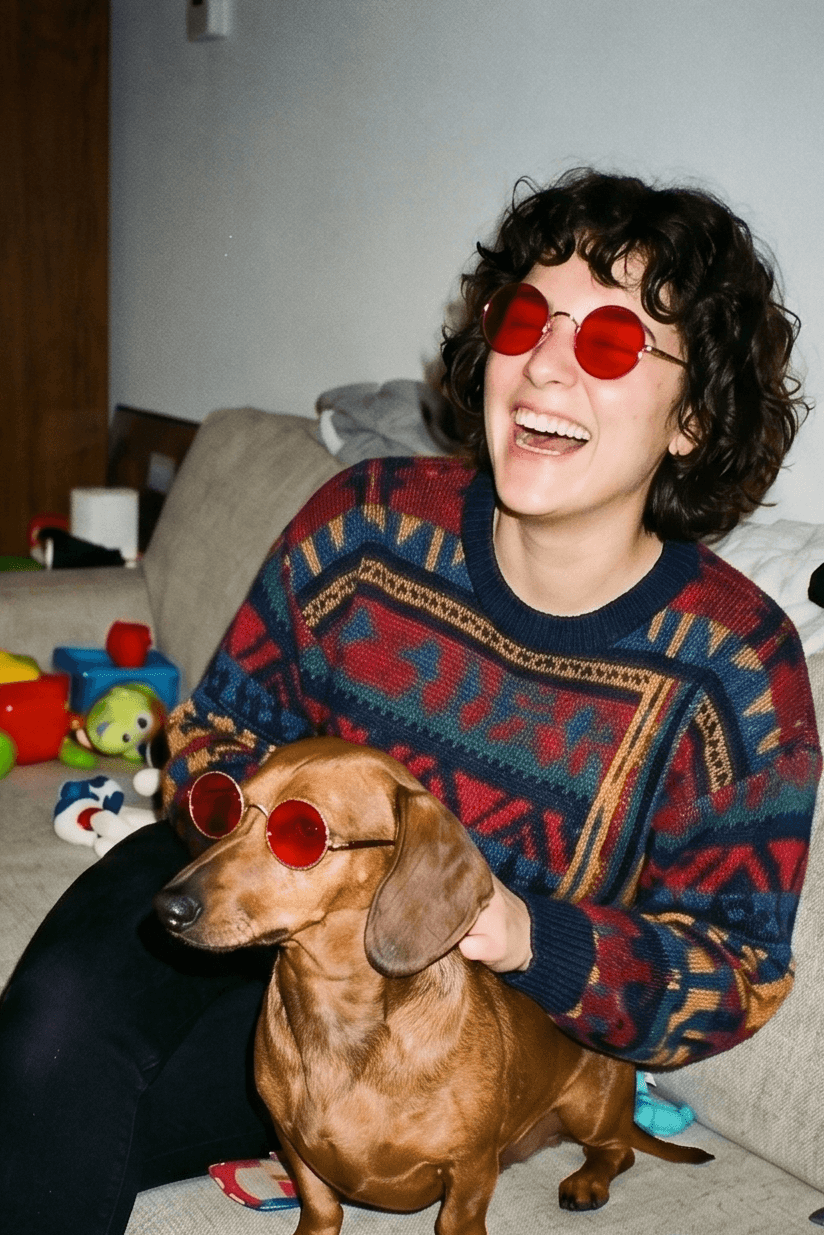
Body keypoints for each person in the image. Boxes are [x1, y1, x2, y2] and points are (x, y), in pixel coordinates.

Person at [0, 167, 820, 1234]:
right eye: (524, 318)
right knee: (47, 1046)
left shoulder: (737, 670)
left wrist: (526, 933)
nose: (542, 363)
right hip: (250, 897)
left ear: (693, 419)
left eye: (610, 343)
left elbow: (736, 968)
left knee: (83, 1120)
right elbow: (219, 726)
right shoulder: (363, 523)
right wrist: (242, 814)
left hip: (438, 1022)